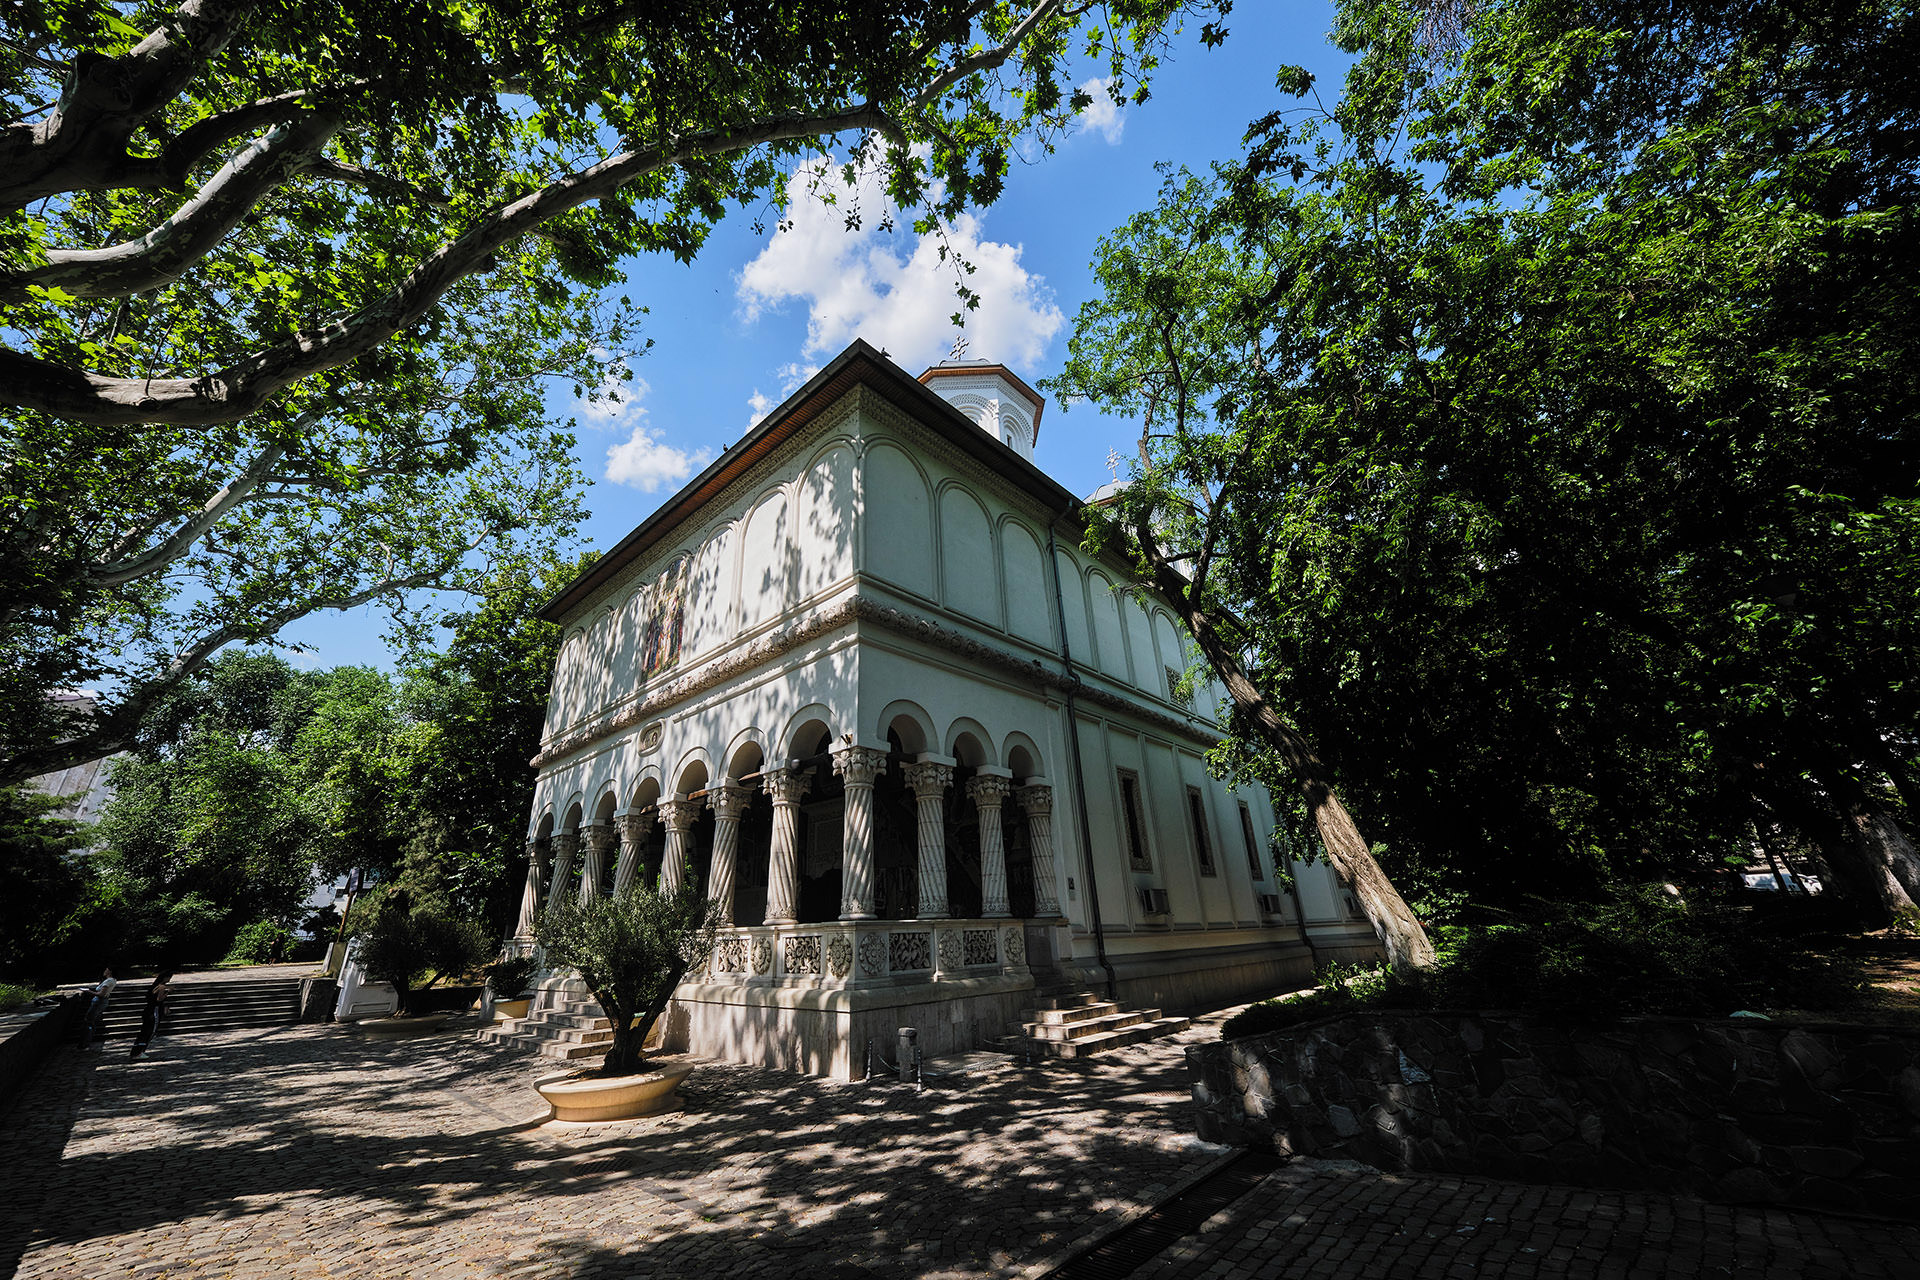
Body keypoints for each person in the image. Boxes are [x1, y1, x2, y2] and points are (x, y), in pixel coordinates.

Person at [128, 970, 171, 1059]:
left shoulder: (154, 986)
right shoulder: (161, 987)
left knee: (144, 1032)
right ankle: (139, 1052)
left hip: (148, 1010)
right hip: (154, 1011)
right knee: (149, 1032)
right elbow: (159, 999)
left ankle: (136, 1051)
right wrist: (168, 992)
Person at [78, 966, 116, 1048]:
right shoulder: (110, 980)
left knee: (89, 1021)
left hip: (99, 1002)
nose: (104, 971)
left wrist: (88, 991)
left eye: (106, 970)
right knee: (92, 1021)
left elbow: (101, 994)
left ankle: (85, 1043)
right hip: (101, 1002)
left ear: (110, 971)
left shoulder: (109, 981)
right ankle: (86, 1042)